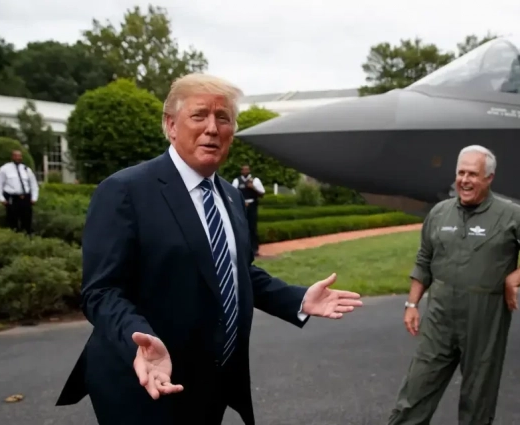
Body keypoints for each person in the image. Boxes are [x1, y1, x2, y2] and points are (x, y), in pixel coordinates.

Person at [55, 73, 364, 425]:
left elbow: (234, 271)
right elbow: (101, 291)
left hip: (209, 383)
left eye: (223, 118)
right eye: (199, 115)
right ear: (171, 125)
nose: (212, 128)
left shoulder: (230, 196)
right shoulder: (125, 191)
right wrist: (138, 338)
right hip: (142, 381)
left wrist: (297, 298)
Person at [387, 145, 520, 425]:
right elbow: (424, 260)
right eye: (461, 173)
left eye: (473, 174)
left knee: (477, 401)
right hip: (440, 318)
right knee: (414, 393)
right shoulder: (440, 213)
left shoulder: (511, 215)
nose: (464, 180)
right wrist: (412, 303)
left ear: (489, 178)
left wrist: (514, 278)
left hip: (485, 321)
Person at [0, 150, 39, 234]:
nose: (18, 158)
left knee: (27, 220)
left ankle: (27, 236)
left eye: (20, 156)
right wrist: (1, 198)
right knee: (13, 220)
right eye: (16, 156)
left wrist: (34, 197)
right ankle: (14, 237)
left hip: (25, 197)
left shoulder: (26, 169)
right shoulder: (5, 169)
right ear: (12, 157)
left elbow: (33, 184)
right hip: (12, 198)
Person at [232, 164, 264, 255]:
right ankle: (242, 249)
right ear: (241, 171)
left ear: (249, 170)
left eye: (247, 169)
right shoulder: (237, 181)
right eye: (243, 169)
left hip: (252, 205)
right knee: (241, 227)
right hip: (241, 205)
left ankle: (254, 249)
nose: (245, 171)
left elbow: (262, 193)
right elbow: (232, 194)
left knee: (252, 227)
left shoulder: (255, 180)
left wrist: (253, 187)